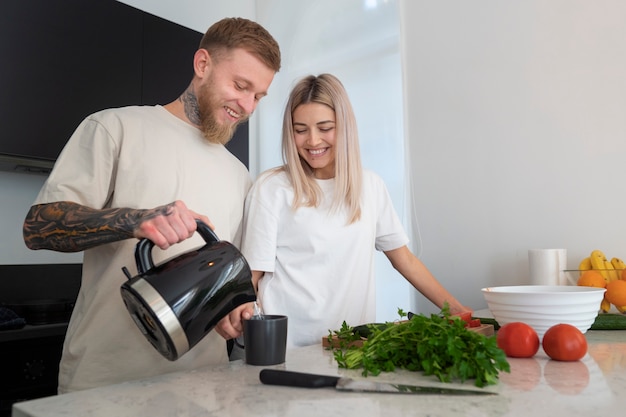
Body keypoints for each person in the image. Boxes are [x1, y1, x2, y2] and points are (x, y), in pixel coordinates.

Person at [22, 17, 281, 393]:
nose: (248, 106)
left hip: (204, 389)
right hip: (106, 384)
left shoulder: (239, 174)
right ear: (203, 65)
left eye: (258, 96)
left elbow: (226, 278)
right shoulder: (115, 127)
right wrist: (136, 221)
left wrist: (233, 310)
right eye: (241, 86)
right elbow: (38, 227)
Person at [219, 74, 470, 348]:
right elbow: (252, 277)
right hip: (287, 350)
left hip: (352, 347)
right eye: (300, 129)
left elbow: (405, 261)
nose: (313, 141)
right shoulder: (271, 188)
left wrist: (458, 311)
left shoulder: (370, 186)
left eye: (325, 127)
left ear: (345, 127)